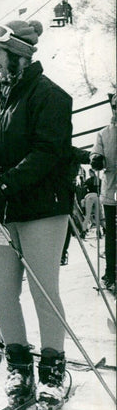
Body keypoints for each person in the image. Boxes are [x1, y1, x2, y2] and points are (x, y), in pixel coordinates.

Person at [0, 19, 74, 405]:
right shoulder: (2, 99)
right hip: (5, 212)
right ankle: (18, 366)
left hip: (43, 208)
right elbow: (0, 155)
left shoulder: (51, 96)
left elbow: (45, 155)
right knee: (2, 292)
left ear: (19, 56)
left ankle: (53, 368)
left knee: (44, 289)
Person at [90, 93, 117, 292]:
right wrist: (96, 159)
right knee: (112, 236)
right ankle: (111, 273)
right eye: (115, 106)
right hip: (111, 192)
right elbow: (95, 152)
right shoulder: (104, 134)